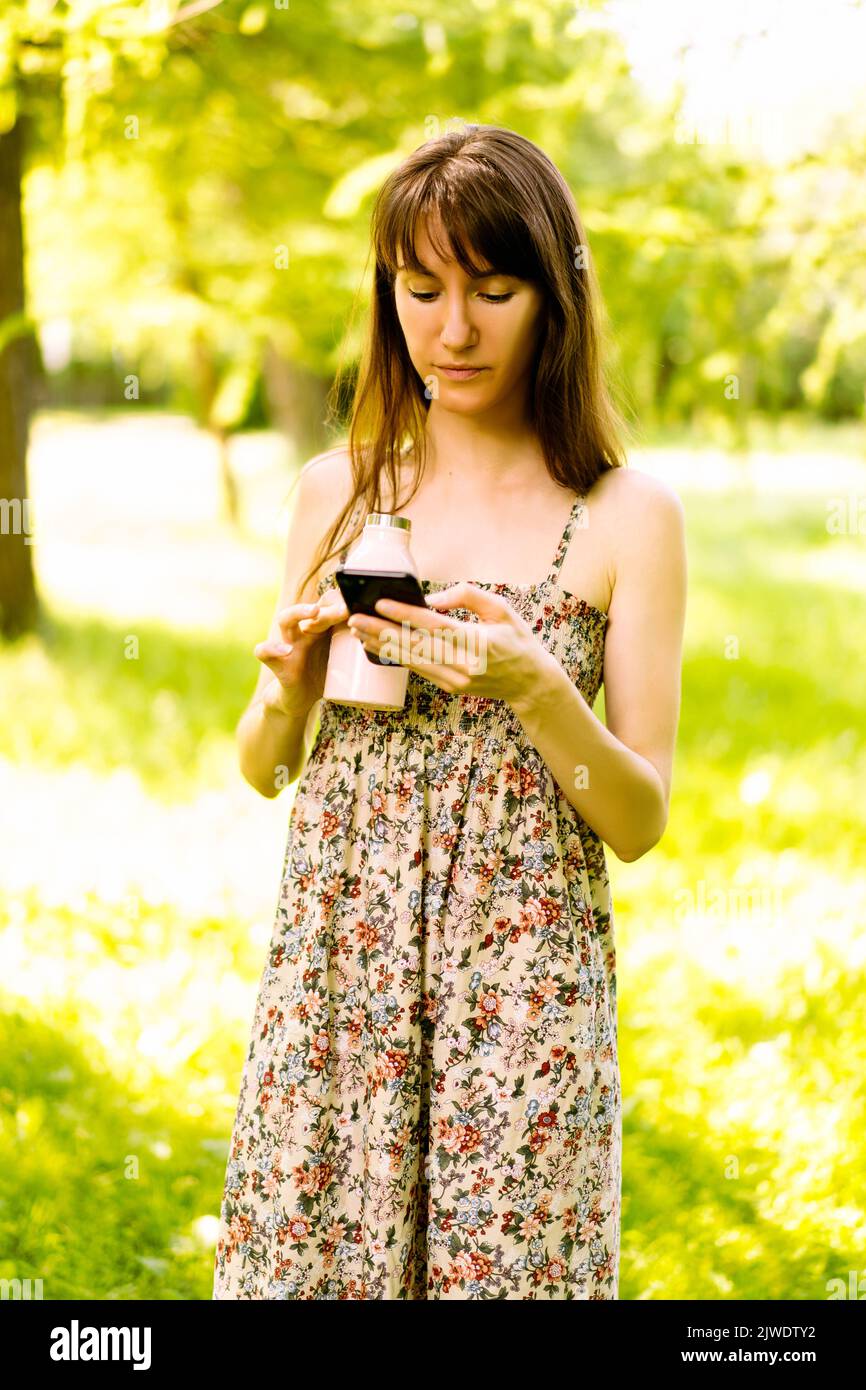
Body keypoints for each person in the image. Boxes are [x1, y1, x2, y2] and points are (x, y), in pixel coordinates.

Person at [213, 124, 687, 1300]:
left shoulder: (625, 516)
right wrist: (286, 685)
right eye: (420, 291)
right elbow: (265, 767)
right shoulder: (340, 491)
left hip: (520, 982)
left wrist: (532, 681)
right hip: (341, 969)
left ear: (554, 296)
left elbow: (635, 818)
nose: (453, 330)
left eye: (493, 289)